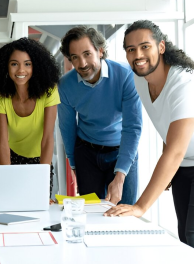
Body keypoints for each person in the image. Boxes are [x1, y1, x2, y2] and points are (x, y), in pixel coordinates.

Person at [105, 20, 194, 256]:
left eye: (145, 46)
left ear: (161, 47)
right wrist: (170, 174)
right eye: (131, 49)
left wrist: (140, 207)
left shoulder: (184, 82)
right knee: (186, 236)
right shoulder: (140, 81)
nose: (138, 55)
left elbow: (175, 151)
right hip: (185, 166)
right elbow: (168, 127)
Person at [58, 26, 142, 205]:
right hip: (86, 154)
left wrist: (120, 176)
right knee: (92, 214)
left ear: (100, 51)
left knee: (124, 212)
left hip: (122, 149)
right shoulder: (65, 85)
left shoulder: (126, 76)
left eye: (87, 54)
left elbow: (132, 127)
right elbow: (67, 128)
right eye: (75, 57)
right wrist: (74, 165)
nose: (82, 63)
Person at [0, 37, 60, 203]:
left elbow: (47, 139)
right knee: (12, 202)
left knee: (40, 204)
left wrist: (42, 180)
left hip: (42, 160)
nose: (21, 70)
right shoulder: (1, 95)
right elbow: (3, 143)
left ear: (36, 66)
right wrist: (7, 179)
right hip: (13, 157)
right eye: (14, 64)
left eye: (27, 63)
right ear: (6, 66)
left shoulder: (49, 91)